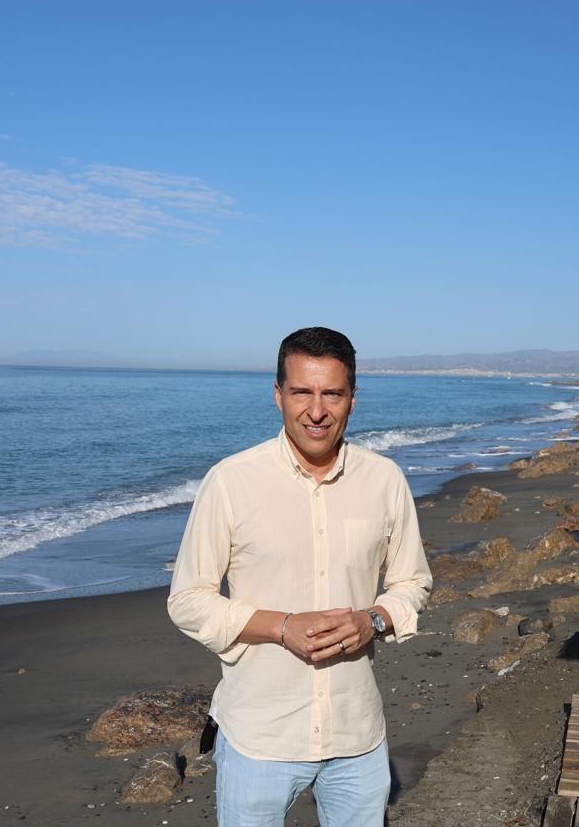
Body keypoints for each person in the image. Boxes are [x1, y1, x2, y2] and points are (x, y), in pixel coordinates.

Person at [167, 326, 432, 826]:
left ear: (353, 399)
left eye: (332, 393)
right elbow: (187, 598)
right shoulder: (231, 481)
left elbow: (413, 583)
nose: (316, 410)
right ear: (278, 395)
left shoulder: (385, 480)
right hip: (258, 738)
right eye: (301, 392)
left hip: (357, 737)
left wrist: (372, 620)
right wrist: (280, 625)